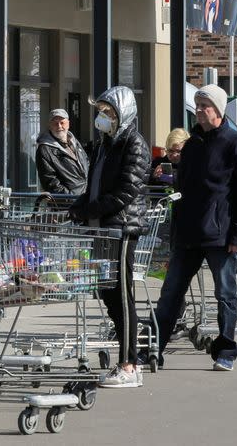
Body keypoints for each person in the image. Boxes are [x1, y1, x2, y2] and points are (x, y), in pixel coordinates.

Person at [148, 84, 237, 371]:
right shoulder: (193, 145)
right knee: (171, 292)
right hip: (187, 233)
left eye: (204, 106)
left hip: (220, 235)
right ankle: (154, 349)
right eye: (196, 106)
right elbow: (182, 188)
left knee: (225, 293)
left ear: (219, 110)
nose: (198, 111)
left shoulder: (236, 143)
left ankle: (225, 350)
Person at [69, 86, 150, 388]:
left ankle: (130, 364)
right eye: (100, 112)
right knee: (106, 291)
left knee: (122, 295)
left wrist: (91, 209)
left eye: (108, 112)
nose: (102, 118)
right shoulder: (105, 144)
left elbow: (126, 191)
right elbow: (94, 185)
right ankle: (125, 360)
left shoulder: (134, 144)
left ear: (122, 113)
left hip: (121, 227)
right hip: (101, 226)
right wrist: (77, 207)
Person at [35, 108, 89, 195]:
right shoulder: (45, 149)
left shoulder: (74, 142)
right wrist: (69, 197)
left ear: (68, 124)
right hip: (68, 203)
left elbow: (86, 163)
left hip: (86, 198)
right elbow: (50, 182)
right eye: (55, 123)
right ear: (50, 126)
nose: (59, 126)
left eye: (62, 123)